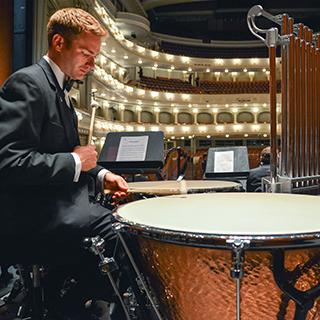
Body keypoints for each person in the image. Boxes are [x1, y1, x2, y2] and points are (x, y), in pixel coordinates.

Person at [0, 7, 128, 317]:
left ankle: (69, 297)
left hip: (61, 207)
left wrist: (101, 175)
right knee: (125, 239)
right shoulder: (28, 83)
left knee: (127, 228)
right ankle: (63, 306)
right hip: (35, 218)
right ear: (59, 43)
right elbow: (9, 161)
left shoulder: (63, 93)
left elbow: (70, 156)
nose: (92, 62)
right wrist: (74, 161)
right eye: (86, 52)